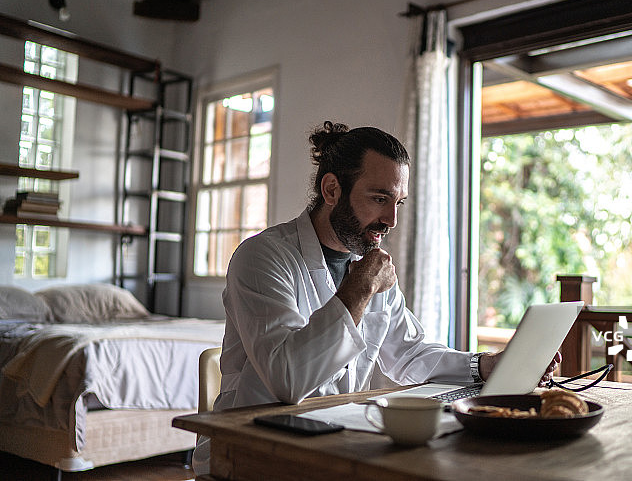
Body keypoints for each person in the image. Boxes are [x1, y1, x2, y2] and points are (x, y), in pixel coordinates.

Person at [192, 121, 560, 474]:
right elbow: (287, 380)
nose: (391, 219)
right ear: (332, 190)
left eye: (398, 202)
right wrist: (359, 290)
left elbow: (409, 353)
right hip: (252, 450)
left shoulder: (367, 264)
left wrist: (484, 366)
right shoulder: (262, 258)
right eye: (379, 198)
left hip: (334, 442)